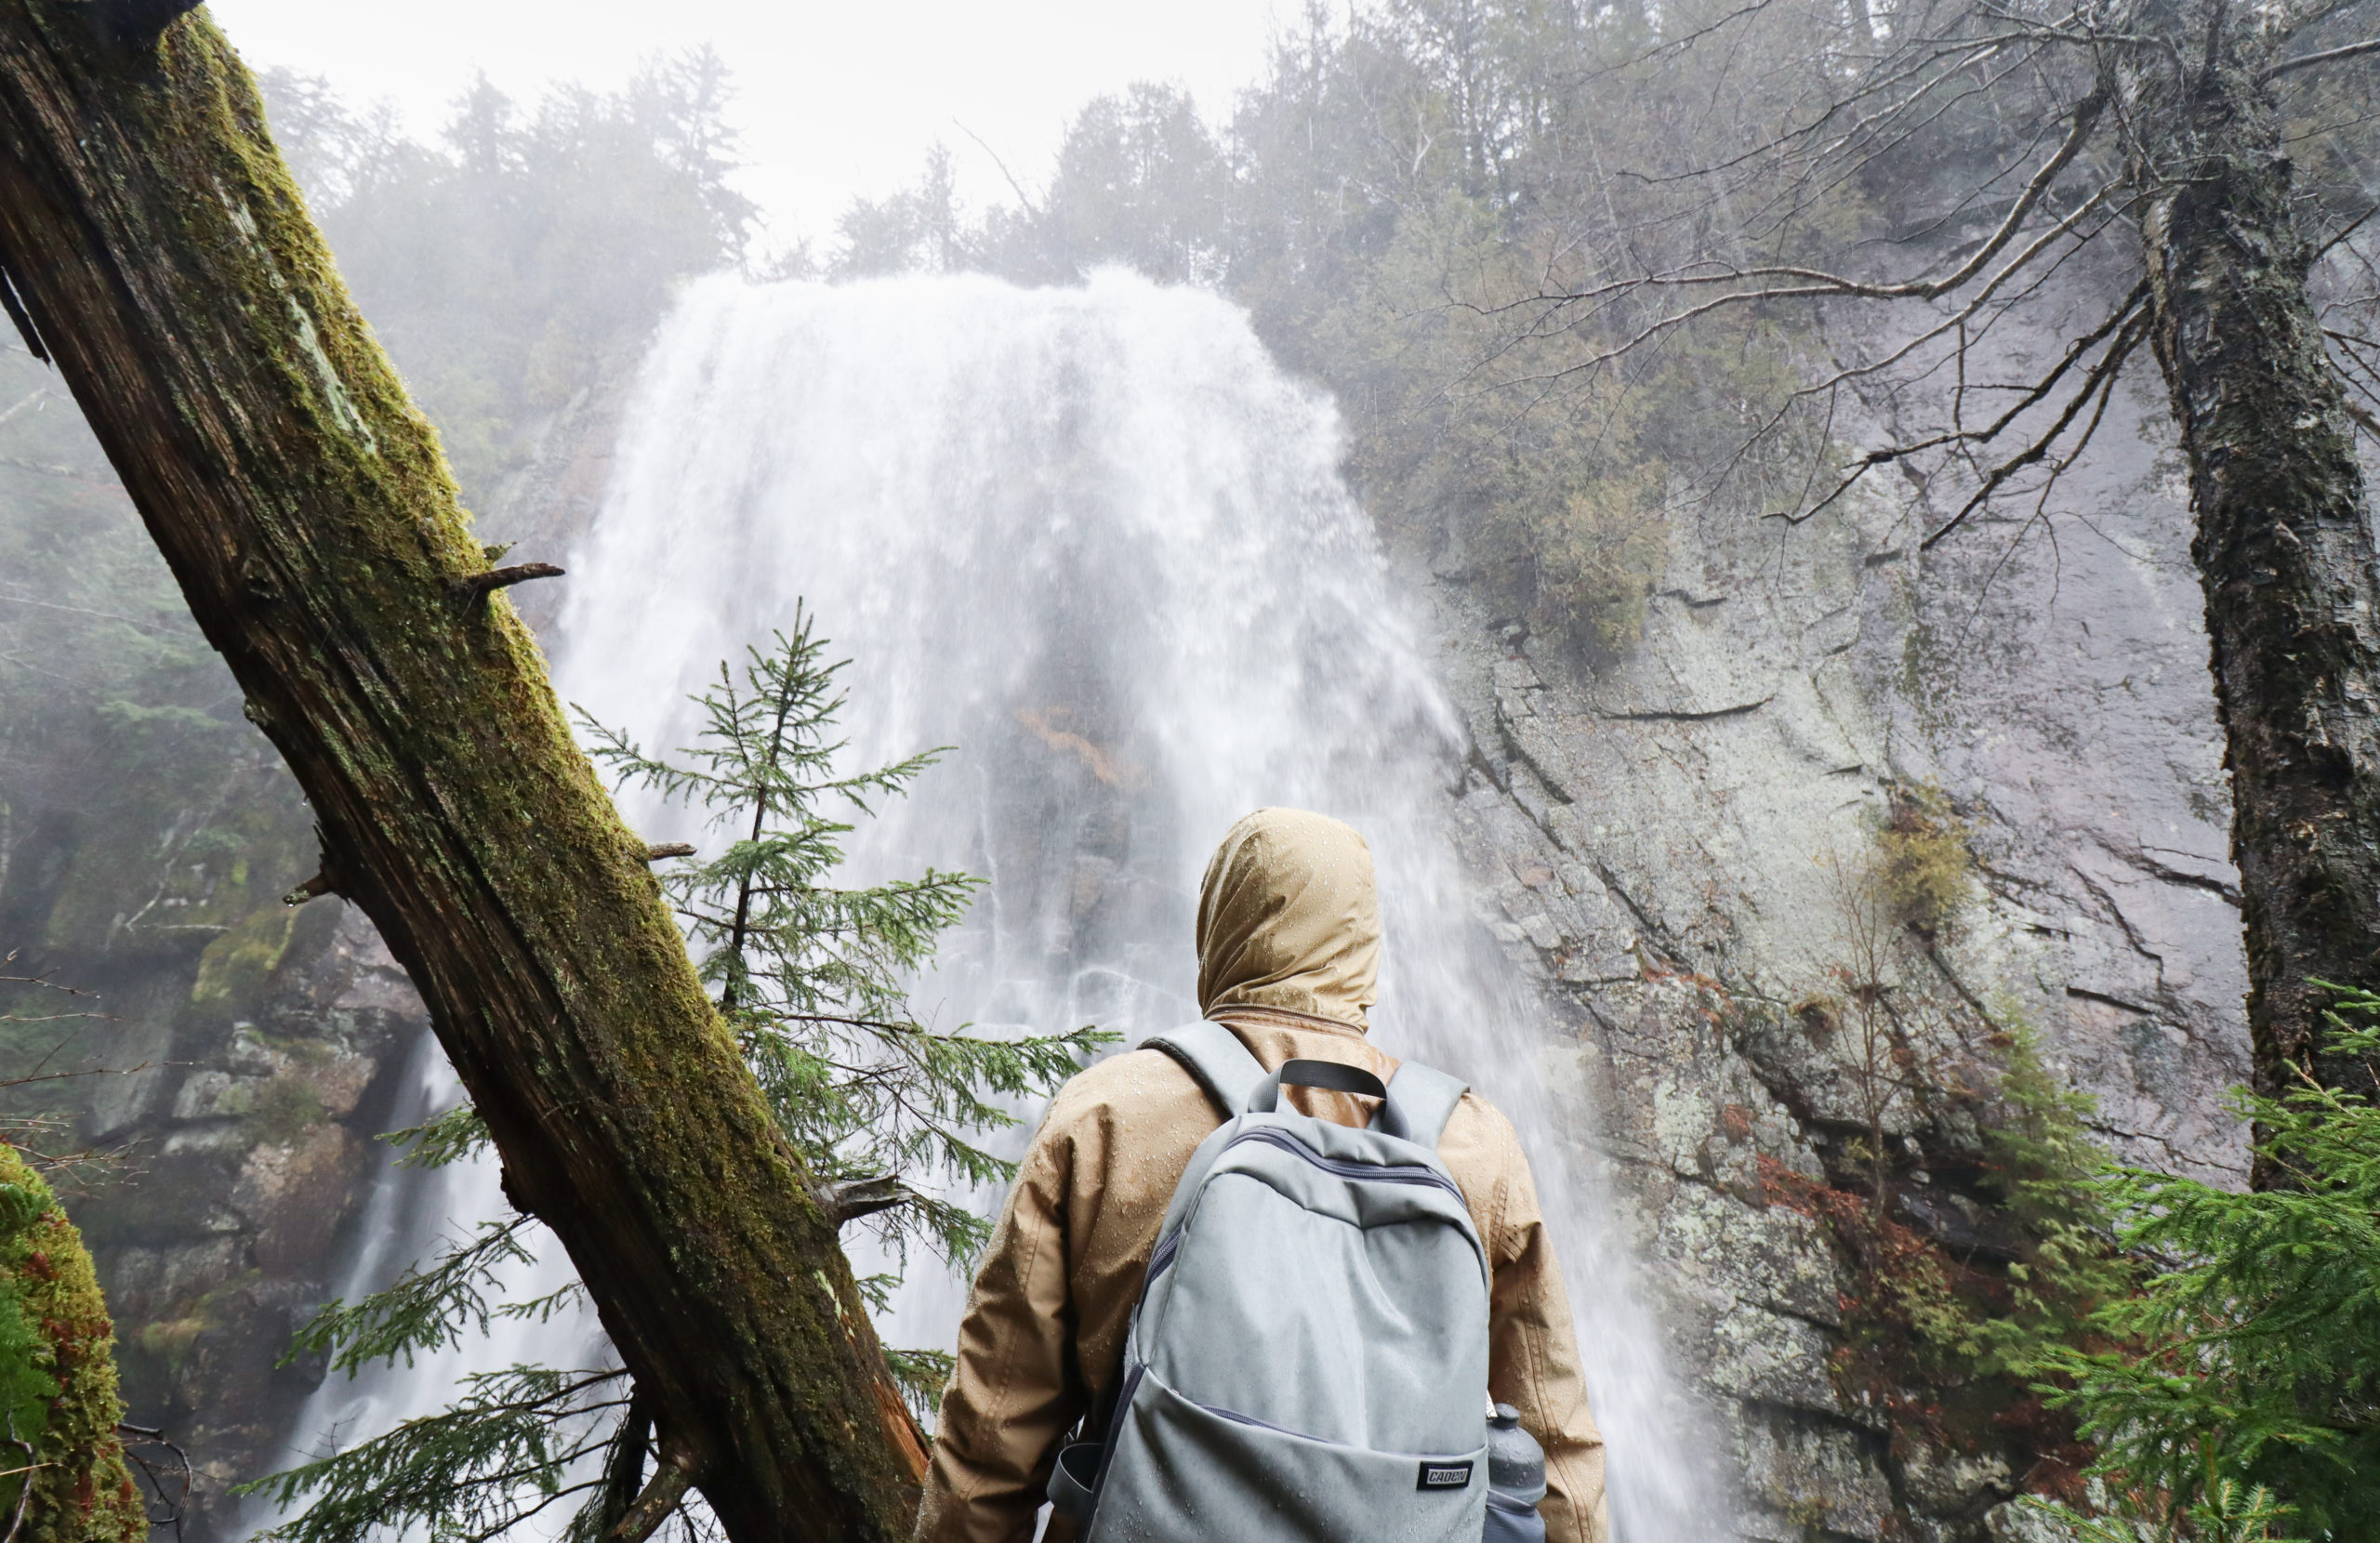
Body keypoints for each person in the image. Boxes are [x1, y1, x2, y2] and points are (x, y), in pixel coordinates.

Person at [916, 807, 1610, 1543]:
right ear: (1364, 944)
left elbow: (992, 1438)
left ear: (1220, 922)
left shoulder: (1110, 1112)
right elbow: (1557, 1450)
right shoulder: (1475, 1143)